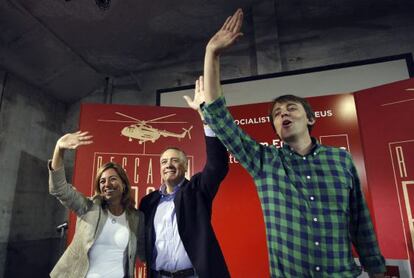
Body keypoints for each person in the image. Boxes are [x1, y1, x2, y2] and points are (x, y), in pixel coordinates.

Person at [200, 8, 386, 278]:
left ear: (310, 118)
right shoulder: (265, 162)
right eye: (277, 113)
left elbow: (361, 223)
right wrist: (212, 54)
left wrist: (376, 270)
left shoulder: (341, 160)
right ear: (275, 129)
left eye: (291, 109)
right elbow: (220, 117)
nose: (283, 113)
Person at [138, 78, 230, 278]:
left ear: (186, 166)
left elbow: (217, 165)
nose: (168, 165)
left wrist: (206, 118)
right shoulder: (148, 202)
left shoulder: (197, 190)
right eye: (164, 162)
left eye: (174, 161)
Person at [48, 131, 145, 278]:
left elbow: (144, 253)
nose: (107, 184)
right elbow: (59, 189)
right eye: (102, 181)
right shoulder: (89, 207)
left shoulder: (136, 217)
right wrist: (59, 149)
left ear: (124, 184)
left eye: (113, 179)